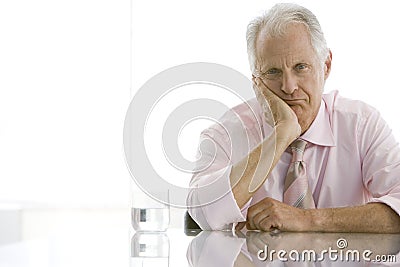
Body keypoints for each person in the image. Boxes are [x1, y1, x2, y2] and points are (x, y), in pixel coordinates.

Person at [187, 3, 400, 232]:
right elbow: (202, 215)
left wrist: (307, 220)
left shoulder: (361, 125)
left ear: (325, 66)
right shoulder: (227, 132)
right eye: (273, 72)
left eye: (300, 67)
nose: (288, 87)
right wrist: (280, 136)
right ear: (256, 81)